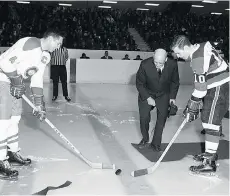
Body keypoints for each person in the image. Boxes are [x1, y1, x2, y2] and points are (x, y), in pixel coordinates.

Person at [0, 29, 63, 180]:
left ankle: (12, 151)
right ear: (49, 38)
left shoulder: (45, 56)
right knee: (3, 122)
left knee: (14, 120)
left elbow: (37, 79)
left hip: (16, 85)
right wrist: (15, 80)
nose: (59, 47)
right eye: (58, 42)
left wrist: (39, 104)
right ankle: (1, 159)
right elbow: (4, 62)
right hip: (2, 81)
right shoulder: (31, 43)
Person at [170, 35, 229, 176]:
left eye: (178, 52)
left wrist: (192, 104)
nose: (178, 56)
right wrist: (194, 102)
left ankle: (209, 163)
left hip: (218, 87)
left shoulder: (197, 59)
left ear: (185, 47)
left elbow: (200, 89)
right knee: (209, 121)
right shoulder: (201, 45)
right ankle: (210, 154)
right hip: (218, 84)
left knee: (210, 123)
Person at [136, 48, 180, 151]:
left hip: (163, 94)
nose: (157, 65)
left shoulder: (172, 64)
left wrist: (172, 97)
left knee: (161, 120)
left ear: (165, 60)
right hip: (147, 92)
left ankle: (155, 144)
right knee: (144, 117)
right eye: (155, 62)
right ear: (153, 57)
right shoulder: (144, 64)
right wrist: (148, 97)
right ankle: (145, 139)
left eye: (160, 63)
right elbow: (140, 84)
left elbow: (175, 82)